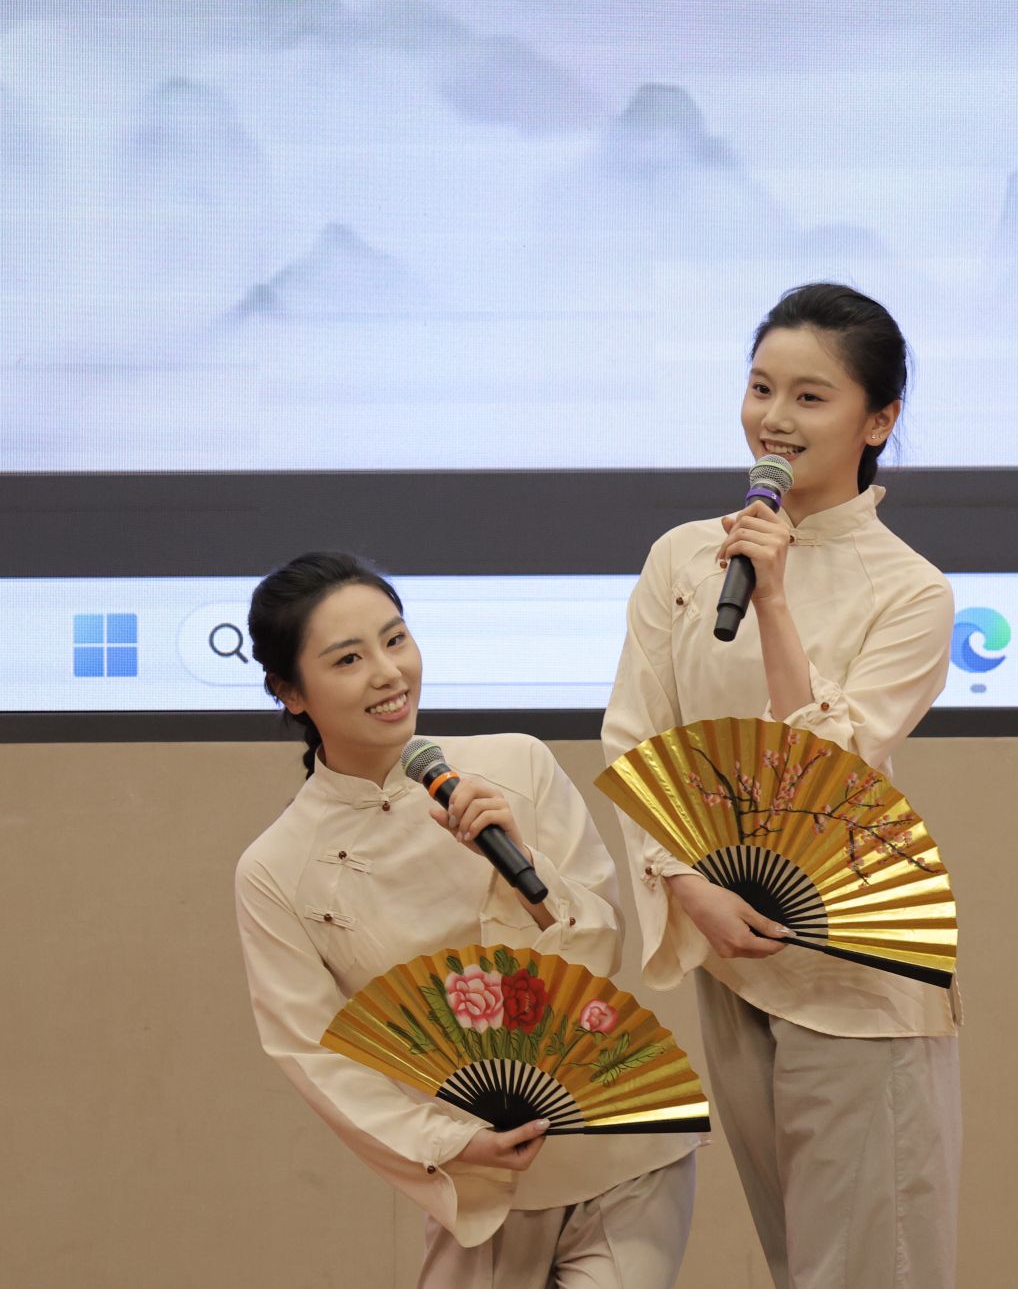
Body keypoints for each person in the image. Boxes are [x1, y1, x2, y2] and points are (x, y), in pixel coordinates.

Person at [601, 283, 961, 1288]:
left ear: (878, 421)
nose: (773, 418)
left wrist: (773, 605)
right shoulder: (683, 557)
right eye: (761, 388)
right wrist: (685, 886)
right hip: (729, 949)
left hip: (854, 973)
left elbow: (831, 775)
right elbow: (637, 739)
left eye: (810, 396)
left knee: (867, 1270)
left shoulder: (911, 591)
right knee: (796, 1263)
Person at [234, 551, 700, 1288]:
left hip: (622, 1147)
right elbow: (313, 1053)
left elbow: (600, 949)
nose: (388, 672)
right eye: (349, 658)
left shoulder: (517, 764)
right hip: (477, 1178)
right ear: (290, 692)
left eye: (396, 639)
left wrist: (522, 868)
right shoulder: (276, 867)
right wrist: (447, 1142)